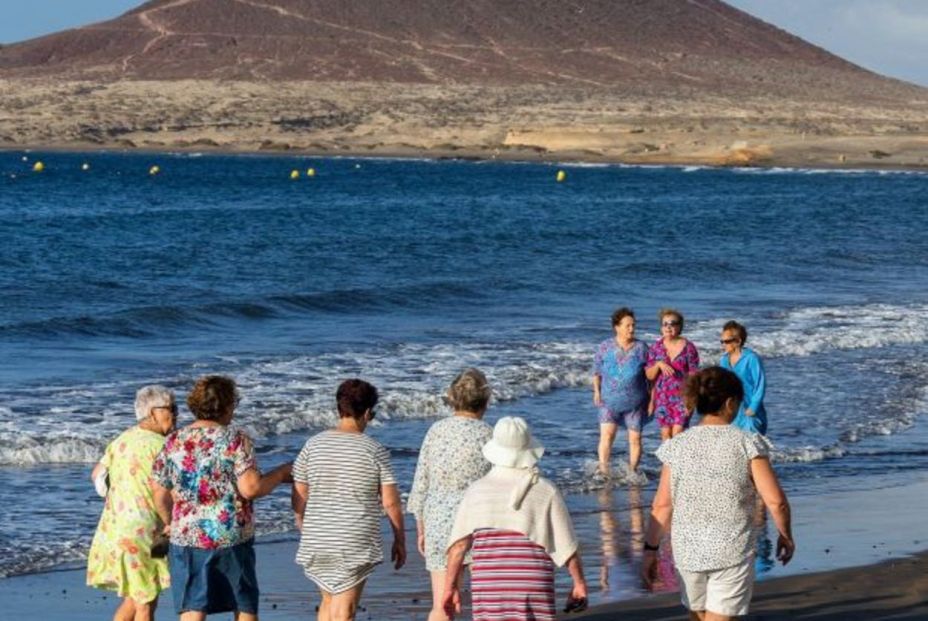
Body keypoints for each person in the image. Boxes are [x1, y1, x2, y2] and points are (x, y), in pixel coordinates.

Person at [642, 367, 795, 621]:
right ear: (730, 403)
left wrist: (650, 550)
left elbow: (662, 506)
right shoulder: (746, 442)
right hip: (731, 550)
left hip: (688, 552)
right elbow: (775, 501)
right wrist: (785, 534)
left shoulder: (677, 445)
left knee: (699, 616)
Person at [151, 375, 293, 621]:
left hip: (188, 534)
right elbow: (250, 488)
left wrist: (169, 522)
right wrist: (280, 474)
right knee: (243, 604)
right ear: (226, 406)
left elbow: (159, 492)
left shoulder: (174, 440)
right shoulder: (235, 439)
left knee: (192, 607)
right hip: (230, 534)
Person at [443, 416, 588, 620]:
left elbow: (458, 547)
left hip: (489, 586)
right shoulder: (545, 490)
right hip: (533, 584)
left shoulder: (476, 491)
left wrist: (450, 587)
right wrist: (579, 583)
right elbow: (567, 546)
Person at [292, 379, 406, 621]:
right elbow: (390, 502)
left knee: (328, 601)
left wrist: (301, 519)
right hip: (353, 538)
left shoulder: (313, 445)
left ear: (339, 409)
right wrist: (399, 539)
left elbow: (299, 492)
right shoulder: (374, 450)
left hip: (318, 536)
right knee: (345, 608)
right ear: (367, 413)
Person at [407, 368, 494, 621]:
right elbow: (497, 484)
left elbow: (421, 483)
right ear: (485, 401)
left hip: (438, 520)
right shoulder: (488, 434)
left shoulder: (436, 430)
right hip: (477, 522)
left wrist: (421, 527)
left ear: (452, 399)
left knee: (442, 603)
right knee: (486, 603)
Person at [87, 385, 178, 621]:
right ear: (153, 413)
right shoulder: (163, 446)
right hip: (146, 531)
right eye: (171, 409)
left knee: (138, 595)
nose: (176, 414)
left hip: (116, 527)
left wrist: (122, 494)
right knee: (145, 603)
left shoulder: (122, 439)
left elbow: (97, 475)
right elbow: (170, 491)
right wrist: (172, 521)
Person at [592, 307, 650, 475]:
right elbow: (596, 371)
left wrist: (653, 399)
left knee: (635, 439)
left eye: (633, 325)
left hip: (636, 404)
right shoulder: (605, 346)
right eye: (627, 325)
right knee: (607, 436)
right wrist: (596, 391)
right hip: (609, 402)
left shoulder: (641, 348)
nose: (632, 329)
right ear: (617, 327)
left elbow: (651, 376)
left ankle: (632, 472)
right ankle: (604, 471)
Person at [646, 308, 700, 440]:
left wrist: (690, 400)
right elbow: (649, 376)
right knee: (665, 435)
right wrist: (658, 364)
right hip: (662, 398)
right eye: (665, 324)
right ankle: (668, 456)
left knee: (678, 433)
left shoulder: (689, 348)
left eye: (672, 323)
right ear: (661, 327)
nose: (668, 327)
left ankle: (681, 455)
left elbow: (693, 376)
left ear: (679, 326)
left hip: (683, 396)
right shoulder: (655, 348)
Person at [719, 320, 768, 435]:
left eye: (727, 341)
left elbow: (760, 384)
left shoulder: (751, 358)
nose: (723, 345)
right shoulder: (724, 360)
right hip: (732, 412)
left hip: (750, 411)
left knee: (752, 443)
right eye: (722, 341)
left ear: (738, 341)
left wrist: (753, 407)